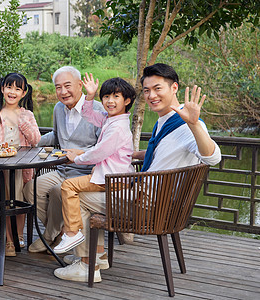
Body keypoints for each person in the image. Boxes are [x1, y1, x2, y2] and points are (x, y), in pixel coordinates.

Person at [54, 63, 222, 283]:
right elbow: (164, 151)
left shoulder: (185, 125)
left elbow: (213, 157)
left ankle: (88, 264)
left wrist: (194, 125)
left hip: (149, 205)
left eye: (158, 88)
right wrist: (136, 154)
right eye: (147, 90)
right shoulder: (165, 121)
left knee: (76, 196)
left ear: (174, 88)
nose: (151, 95)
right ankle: (99, 256)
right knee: (78, 190)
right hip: (154, 200)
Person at [22, 66, 105, 253]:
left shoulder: (97, 109)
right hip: (62, 170)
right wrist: (31, 141)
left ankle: (48, 236)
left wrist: (79, 154)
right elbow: (56, 135)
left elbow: (105, 147)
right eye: (58, 87)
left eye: (67, 86)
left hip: (85, 173)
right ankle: (59, 232)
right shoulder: (59, 108)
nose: (63, 92)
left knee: (58, 192)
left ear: (80, 85)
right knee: (30, 189)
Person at [53, 75, 136, 254]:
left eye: (116, 97)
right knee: (70, 186)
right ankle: (96, 253)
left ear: (127, 100)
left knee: (68, 186)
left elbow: (98, 153)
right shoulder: (110, 119)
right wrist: (90, 96)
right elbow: (87, 114)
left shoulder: (117, 127)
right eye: (106, 97)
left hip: (112, 179)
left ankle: (72, 232)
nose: (110, 101)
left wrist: (77, 158)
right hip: (109, 175)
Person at [0, 72, 41, 256]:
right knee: (8, 200)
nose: (12, 92)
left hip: (23, 167)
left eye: (18, 89)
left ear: (23, 93)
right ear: (2, 89)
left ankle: (18, 234)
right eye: (9, 87)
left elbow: (35, 140)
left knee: (21, 199)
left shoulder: (27, 114)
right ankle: (10, 239)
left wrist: (22, 123)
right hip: (2, 167)